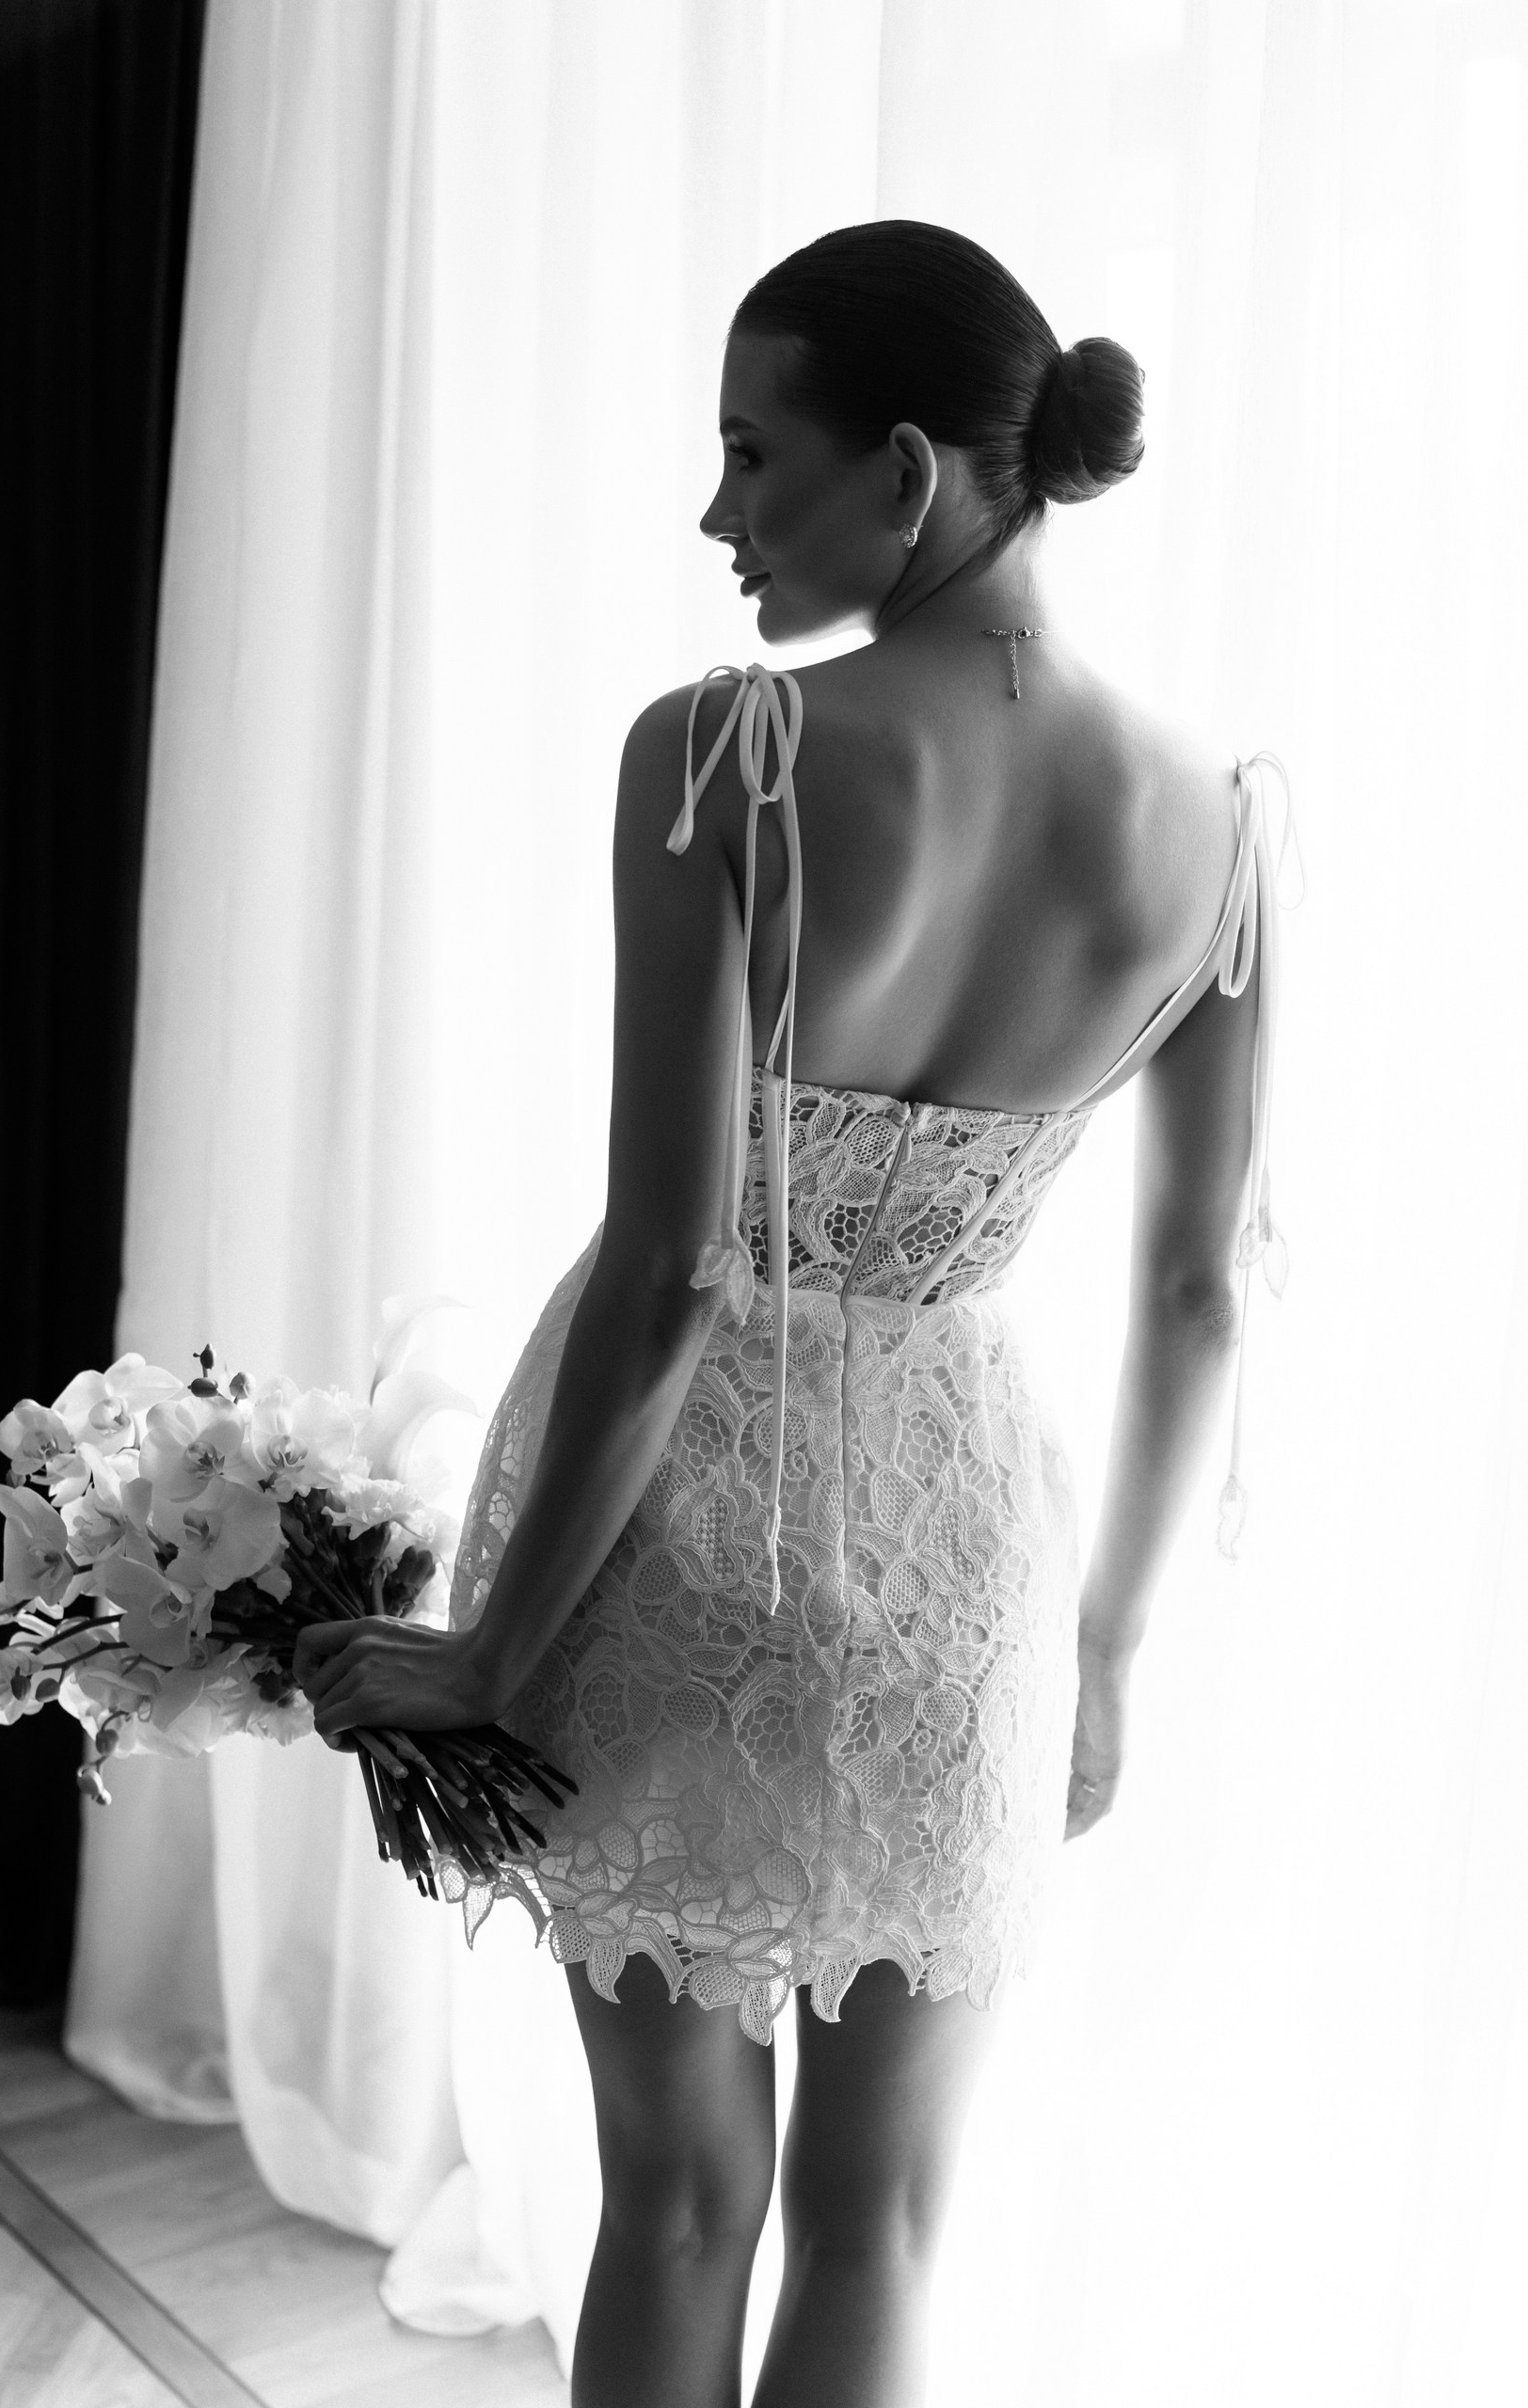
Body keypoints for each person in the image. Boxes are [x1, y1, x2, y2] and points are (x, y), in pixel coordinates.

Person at [294, 220, 1286, 2408]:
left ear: (906, 473)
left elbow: (671, 1270)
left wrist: (487, 1650)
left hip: (666, 1534)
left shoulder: (721, 755)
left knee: (671, 2203)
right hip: (959, 1569)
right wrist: (1105, 1648)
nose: (716, 511)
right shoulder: (1220, 830)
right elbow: (1197, 1288)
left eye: (754, 453)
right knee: (880, 2225)